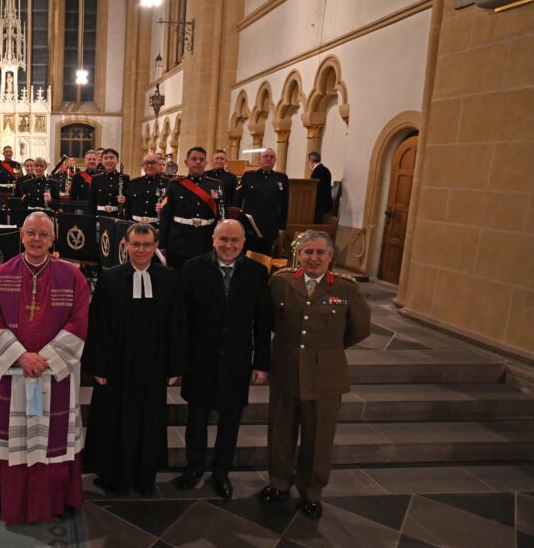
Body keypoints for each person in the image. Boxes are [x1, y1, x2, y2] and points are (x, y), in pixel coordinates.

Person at [0, 212, 90, 523]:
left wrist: (47, 359)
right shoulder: (0, 275)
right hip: (13, 377)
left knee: (52, 438)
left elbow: (80, 321)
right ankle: (8, 500)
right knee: (11, 437)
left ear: (52, 238)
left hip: (53, 376)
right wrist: (20, 356)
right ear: (21, 235)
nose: (37, 239)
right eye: (32, 233)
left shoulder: (73, 277)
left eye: (43, 234)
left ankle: (54, 502)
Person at [259, 230, 370, 519]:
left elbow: (359, 329)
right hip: (285, 367)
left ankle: (311, 491)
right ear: (299, 255)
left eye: (320, 252)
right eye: (308, 252)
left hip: (326, 375)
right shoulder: (281, 282)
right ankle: (279, 482)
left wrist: (328, 350)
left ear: (330, 257)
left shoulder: (346, 289)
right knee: (281, 430)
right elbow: (270, 318)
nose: (314, 258)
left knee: (318, 436)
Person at [82, 224, 186, 496]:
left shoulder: (170, 279)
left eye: (147, 244)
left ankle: (144, 476)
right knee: (113, 419)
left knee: (148, 420)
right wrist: (98, 364)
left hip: (154, 364)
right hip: (116, 364)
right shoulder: (110, 278)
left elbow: (177, 323)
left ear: (156, 246)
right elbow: (98, 323)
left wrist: (175, 364)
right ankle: (113, 475)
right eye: (136, 244)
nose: (141, 250)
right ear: (126, 245)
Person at [176, 219, 270, 497]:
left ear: (243, 243)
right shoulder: (193, 268)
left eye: (234, 241)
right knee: (196, 417)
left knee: (230, 419)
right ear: (213, 240)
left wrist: (262, 363)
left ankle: (221, 471)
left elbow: (261, 322)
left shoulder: (257, 272)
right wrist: (179, 361)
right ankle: (194, 466)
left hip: (237, 360)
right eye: (223, 240)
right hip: (200, 358)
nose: (228, 246)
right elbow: (182, 319)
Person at [159, 146, 226, 273]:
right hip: (179, 241)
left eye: (201, 159)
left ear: (206, 163)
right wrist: (162, 244)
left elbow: (221, 216)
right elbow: (165, 216)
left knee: (201, 279)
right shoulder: (175, 185)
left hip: (205, 241)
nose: (198, 162)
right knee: (178, 278)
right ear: (186, 162)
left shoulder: (216, 185)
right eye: (194, 159)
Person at [232, 147, 289, 256]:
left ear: (275, 160)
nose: (268, 159)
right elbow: (237, 200)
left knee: (265, 258)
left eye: (271, 157)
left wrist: (282, 226)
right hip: (249, 226)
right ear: (259, 160)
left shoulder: (281, 178)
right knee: (246, 255)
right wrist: (236, 221)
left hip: (270, 226)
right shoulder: (248, 176)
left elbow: (285, 204)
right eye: (265, 156)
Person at [126, 152, 169, 224]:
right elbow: (128, 207)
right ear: (142, 166)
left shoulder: (168, 183)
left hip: (156, 226)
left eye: (153, 163)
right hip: (135, 225)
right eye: (146, 163)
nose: (149, 165)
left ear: (158, 165)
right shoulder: (133, 183)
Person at [89, 148, 129, 217]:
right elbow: (92, 201)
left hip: (117, 216)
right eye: (106, 158)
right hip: (100, 216)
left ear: (117, 161)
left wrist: (125, 200)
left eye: (111, 158)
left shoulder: (125, 178)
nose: (108, 160)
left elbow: (130, 201)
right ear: (102, 161)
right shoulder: (96, 178)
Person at [308, 152, 333, 223]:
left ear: (311, 161)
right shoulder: (325, 169)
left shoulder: (317, 171)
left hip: (320, 206)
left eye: (308, 161)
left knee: (317, 228)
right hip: (325, 204)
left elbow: (316, 189)